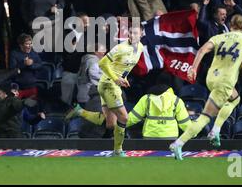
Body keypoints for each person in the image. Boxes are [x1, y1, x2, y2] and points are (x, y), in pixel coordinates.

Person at [170, 15, 242, 160]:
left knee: (235, 98)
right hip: (225, 81)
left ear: (230, 24)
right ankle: (179, 143)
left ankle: (215, 130)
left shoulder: (219, 37)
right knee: (205, 117)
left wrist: (193, 69)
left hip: (211, 78)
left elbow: (202, 50)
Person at [66, 24, 144, 157]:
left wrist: (122, 78)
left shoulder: (140, 47)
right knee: (124, 117)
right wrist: (115, 78)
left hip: (112, 83)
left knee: (110, 123)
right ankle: (118, 150)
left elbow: (124, 66)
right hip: (109, 84)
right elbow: (102, 63)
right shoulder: (121, 47)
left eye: (136, 33)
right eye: (130, 33)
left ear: (142, 34)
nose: (132, 36)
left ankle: (80, 111)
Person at [127, 85, 191, 139]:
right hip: (170, 136)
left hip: (150, 136)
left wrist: (119, 125)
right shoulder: (176, 100)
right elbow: (184, 122)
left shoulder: (147, 98)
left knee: (150, 154)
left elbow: (134, 117)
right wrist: (193, 133)